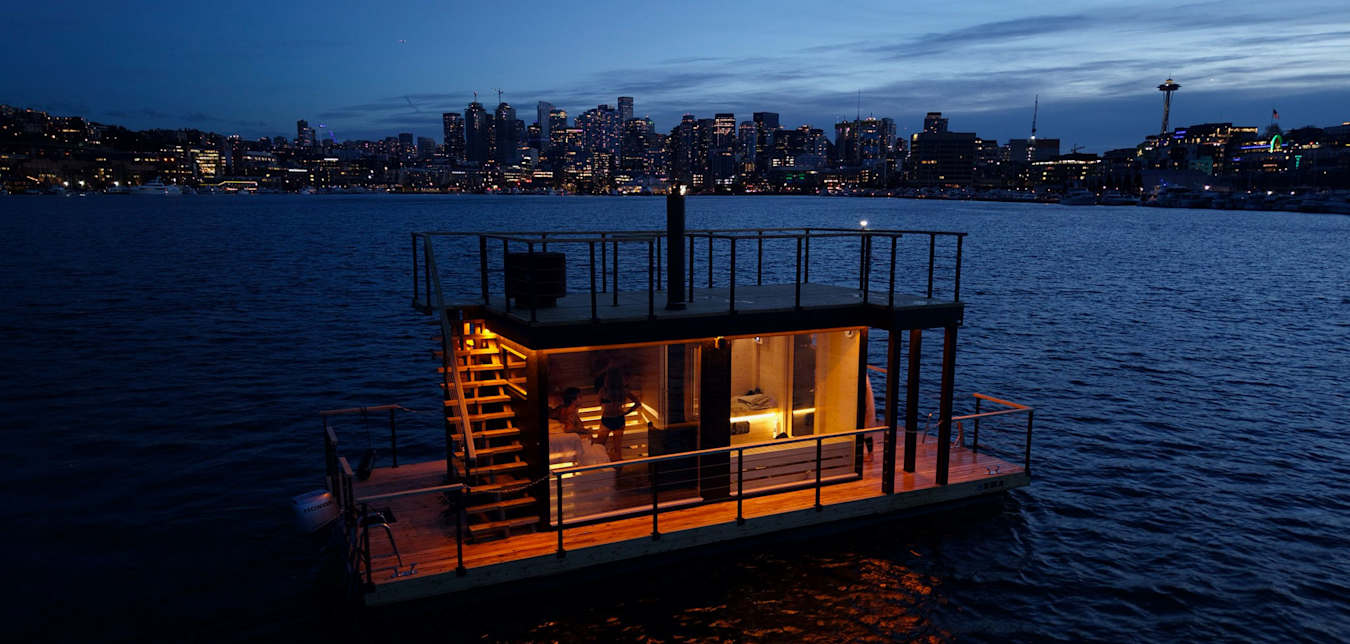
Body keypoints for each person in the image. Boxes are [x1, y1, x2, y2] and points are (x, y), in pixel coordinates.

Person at [594, 366, 640, 461]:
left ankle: (605, 466)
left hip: (607, 419)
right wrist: (626, 412)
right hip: (619, 419)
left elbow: (598, 402)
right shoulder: (623, 391)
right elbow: (637, 403)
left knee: (599, 446)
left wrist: (607, 404)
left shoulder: (604, 391)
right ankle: (617, 470)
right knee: (616, 448)